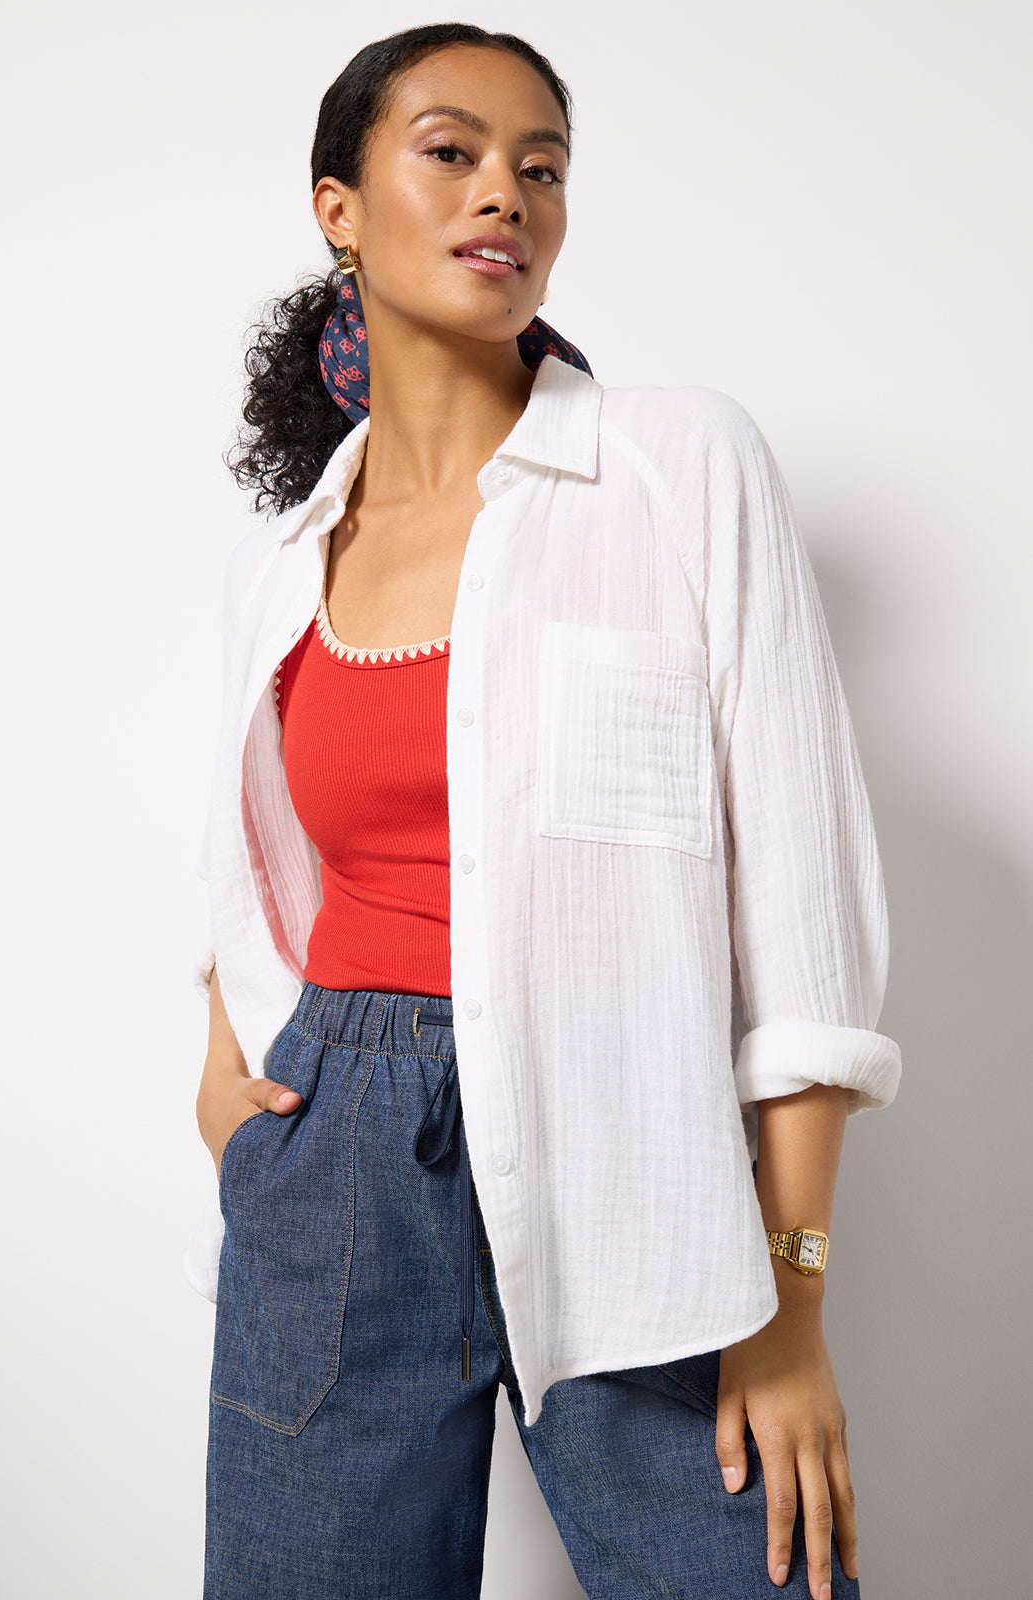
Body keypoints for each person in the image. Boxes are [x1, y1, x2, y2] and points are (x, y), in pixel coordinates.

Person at [188, 21, 901, 1600]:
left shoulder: (679, 466)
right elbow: (261, 870)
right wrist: (230, 1100)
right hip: (334, 1174)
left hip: (634, 1168)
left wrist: (791, 1306)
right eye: (450, 152)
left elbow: (803, 919)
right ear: (339, 209)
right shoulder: (282, 566)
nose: (505, 191)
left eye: (542, 166)